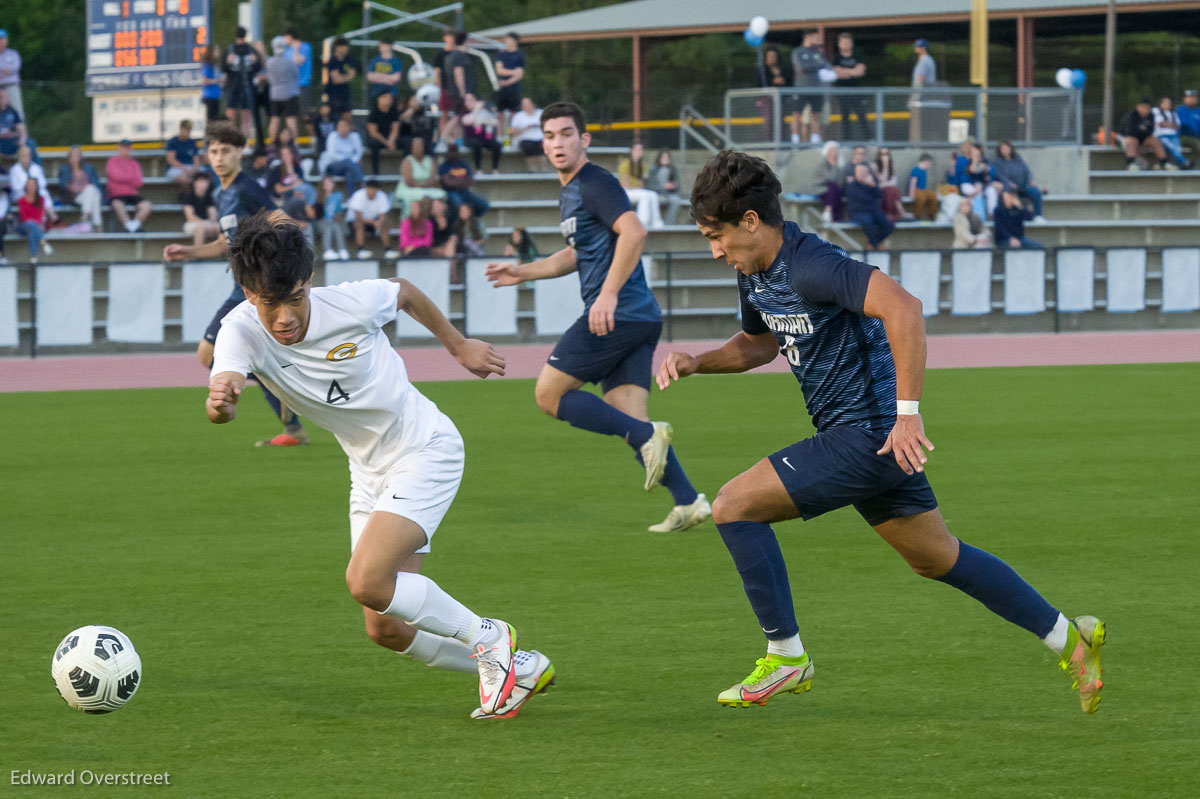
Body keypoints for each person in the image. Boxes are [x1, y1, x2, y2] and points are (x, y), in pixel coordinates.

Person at [657, 149, 1104, 714]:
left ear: (751, 221)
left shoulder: (810, 263)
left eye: (715, 235)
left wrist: (908, 411)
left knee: (732, 505)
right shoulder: (756, 275)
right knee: (937, 558)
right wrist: (698, 362)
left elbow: (905, 308)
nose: (714, 250)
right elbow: (759, 343)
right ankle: (1071, 638)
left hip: (868, 433)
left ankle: (787, 656)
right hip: (872, 442)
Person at [207, 210, 553, 720]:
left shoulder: (348, 302)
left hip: (424, 448)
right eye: (268, 304)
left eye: (294, 299)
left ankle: (491, 638)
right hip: (367, 471)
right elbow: (223, 390)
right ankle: (516, 669)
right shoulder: (240, 329)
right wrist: (222, 403)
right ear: (248, 293)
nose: (284, 317)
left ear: (309, 283)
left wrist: (459, 346)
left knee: (366, 580)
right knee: (385, 627)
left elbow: (405, 291)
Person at [485, 102, 708, 533]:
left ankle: (647, 438)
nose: (557, 143)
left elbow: (635, 232)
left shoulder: (595, 182)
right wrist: (523, 270)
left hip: (617, 313)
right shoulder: (570, 190)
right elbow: (577, 253)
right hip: (637, 316)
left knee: (549, 395)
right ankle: (689, 501)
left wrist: (606, 295)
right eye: (549, 136)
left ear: (584, 139)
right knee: (629, 416)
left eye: (566, 133)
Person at [163, 122, 310, 448]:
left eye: (226, 151)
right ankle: (289, 416)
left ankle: (279, 391)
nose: (218, 157)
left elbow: (279, 220)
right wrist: (188, 251)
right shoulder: (222, 192)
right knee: (220, 356)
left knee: (207, 353)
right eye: (213, 151)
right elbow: (223, 243)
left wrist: (287, 262)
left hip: (254, 286)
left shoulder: (246, 189)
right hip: (241, 286)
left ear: (239, 153)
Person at [790, 30, 830, 145]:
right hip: (801, 88)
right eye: (815, 37)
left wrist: (815, 66)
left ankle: (815, 139)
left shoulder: (817, 53)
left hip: (816, 89)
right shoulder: (798, 52)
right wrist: (818, 65)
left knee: (816, 114)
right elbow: (801, 67)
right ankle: (795, 139)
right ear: (808, 37)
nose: (817, 40)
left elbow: (826, 65)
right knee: (797, 114)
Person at [105, 140, 152, 233]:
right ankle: (131, 227)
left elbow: (139, 182)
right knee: (117, 204)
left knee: (147, 205)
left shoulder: (134, 163)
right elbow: (114, 176)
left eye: (127, 147)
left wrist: (123, 178)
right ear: (119, 148)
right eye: (123, 147)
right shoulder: (112, 161)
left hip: (132, 194)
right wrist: (130, 178)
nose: (125, 150)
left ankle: (131, 227)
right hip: (116, 194)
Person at [391, 137, 446, 216]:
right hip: (409, 188)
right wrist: (420, 186)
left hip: (428, 187)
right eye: (415, 146)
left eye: (419, 146)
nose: (417, 148)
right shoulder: (407, 161)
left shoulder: (430, 160)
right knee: (425, 197)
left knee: (442, 195)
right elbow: (408, 180)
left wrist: (424, 185)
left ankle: (434, 222)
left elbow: (433, 178)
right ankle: (418, 221)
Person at [992, 140, 1045, 222]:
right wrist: (1009, 183)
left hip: (1024, 185)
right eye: (1002, 148)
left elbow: (1027, 170)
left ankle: (1038, 216)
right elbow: (1000, 176)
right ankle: (1027, 216)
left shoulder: (1018, 158)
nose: (1005, 150)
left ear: (1010, 148)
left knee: (1035, 192)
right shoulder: (998, 162)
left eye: (1006, 148)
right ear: (999, 150)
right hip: (1010, 188)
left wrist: (1030, 180)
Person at [224, 27, 262, 142]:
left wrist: (255, 61)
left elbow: (223, 67)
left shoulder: (247, 50)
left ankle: (238, 141)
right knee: (242, 116)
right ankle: (236, 141)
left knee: (238, 115)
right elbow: (259, 67)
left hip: (242, 86)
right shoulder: (233, 49)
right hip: (239, 85)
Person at [846, 163, 894, 251]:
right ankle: (875, 246)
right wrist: (871, 192)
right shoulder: (851, 185)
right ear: (855, 173)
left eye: (864, 172)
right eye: (860, 172)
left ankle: (872, 243)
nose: (862, 174)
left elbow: (880, 195)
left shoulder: (871, 184)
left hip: (873, 211)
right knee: (868, 223)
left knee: (889, 225)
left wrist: (873, 185)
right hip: (858, 212)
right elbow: (864, 198)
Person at [56, 145, 103, 233]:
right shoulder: (64, 168)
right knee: (94, 197)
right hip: (75, 196)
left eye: (77, 154)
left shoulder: (89, 167)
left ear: (81, 156)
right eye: (73, 155)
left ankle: (84, 218)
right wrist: (74, 188)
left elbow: (97, 185)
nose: (75, 157)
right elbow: (63, 185)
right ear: (69, 156)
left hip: (88, 194)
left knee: (91, 189)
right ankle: (98, 226)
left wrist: (84, 188)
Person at [617, 141, 663, 229]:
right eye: (637, 149)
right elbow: (624, 184)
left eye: (641, 150)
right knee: (644, 195)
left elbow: (642, 183)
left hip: (637, 190)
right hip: (625, 191)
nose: (639, 152)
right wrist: (636, 187)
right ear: (631, 151)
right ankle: (642, 222)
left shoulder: (643, 165)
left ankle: (656, 222)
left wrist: (638, 187)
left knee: (653, 195)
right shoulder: (625, 164)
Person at [348, 179, 399, 259]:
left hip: (373, 221)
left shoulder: (382, 196)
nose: (373, 191)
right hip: (355, 222)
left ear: (378, 189)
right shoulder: (358, 196)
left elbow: (383, 215)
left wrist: (379, 222)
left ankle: (388, 250)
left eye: (375, 189)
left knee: (385, 222)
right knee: (358, 223)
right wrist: (373, 222)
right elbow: (358, 217)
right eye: (371, 188)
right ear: (366, 188)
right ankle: (360, 250)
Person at [831, 32, 868, 141]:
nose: (846, 44)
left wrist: (845, 72)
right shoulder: (836, 57)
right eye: (843, 42)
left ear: (851, 43)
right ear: (839, 44)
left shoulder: (857, 55)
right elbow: (836, 73)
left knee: (862, 116)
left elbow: (860, 71)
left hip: (856, 91)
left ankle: (868, 140)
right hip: (841, 93)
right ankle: (846, 141)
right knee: (845, 118)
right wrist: (852, 71)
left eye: (848, 42)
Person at [266, 35, 301, 144]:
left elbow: (269, 78)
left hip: (275, 94)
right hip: (290, 93)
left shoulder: (270, 62)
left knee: (274, 119)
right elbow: (296, 75)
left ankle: (272, 143)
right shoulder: (289, 62)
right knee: (291, 119)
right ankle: (294, 143)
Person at [318, 114, 364, 196]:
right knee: (349, 163)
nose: (342, 128)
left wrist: (352, 161)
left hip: (349, 167)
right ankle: (362, 183)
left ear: (349, 127)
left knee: (349, 173)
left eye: (345, 126)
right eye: (340, 126)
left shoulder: (354, 136)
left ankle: (352, 197)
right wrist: (349, 160)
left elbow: (359, 152)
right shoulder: (332, 136)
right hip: (333, 166)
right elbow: (332, 155)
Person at [438, 143, 489, 219]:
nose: (452, 153)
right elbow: (447, 183)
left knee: (484, 204)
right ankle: (461, 224)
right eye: (450, 151)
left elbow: (469, 181)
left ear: (457, 152)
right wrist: (461, 180)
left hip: (465, 192)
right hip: (451, 193)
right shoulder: (444, 166)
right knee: (458, 205)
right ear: (447, 152)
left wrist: (454, 180)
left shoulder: (463, 164)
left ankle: (473, 219)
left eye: (454, 151)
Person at [493, 33, 526, 136]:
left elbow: (519, 75)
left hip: (513, 89)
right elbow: (499, 70)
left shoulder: (520, 55)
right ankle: (500, 137)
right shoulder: (501, 54)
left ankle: (513, 137)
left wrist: (506, 82)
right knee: (500, 114)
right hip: (502, 90)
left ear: (515, 41)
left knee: (514, 115)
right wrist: (513, 72)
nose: (507, 41)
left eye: (509, 39)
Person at [756, 46, 792, 142]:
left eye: (774, 56)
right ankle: (768, 140)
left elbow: (789, 82)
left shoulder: (783, 69)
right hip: (767, 98)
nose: (772, 58)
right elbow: (761, 84)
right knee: (768, 120)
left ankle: (781, 140)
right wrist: (773, 81)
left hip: (780, 99)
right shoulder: (762, 70)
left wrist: (782, 81)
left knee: (780, 119)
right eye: (770, 56)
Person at [461, 93, 502, 173]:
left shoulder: (484, 112)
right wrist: (477, 110)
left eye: (471, 100)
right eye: (467, 100)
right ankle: (478, 169)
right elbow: (468, 121)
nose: (469, 102)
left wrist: (485, 121)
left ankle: (495, 169)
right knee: (477, 144)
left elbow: (495, 122)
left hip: (485, 138)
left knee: (497, 145)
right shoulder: (464, 114)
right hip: (471, 139)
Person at [1120, 99, 1166, 171]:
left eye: (1148, 107)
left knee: (1154, 140)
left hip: (1142, 138)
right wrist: (1141, 129)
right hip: (1126, 138)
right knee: (1133, 140)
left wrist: (1142, 130)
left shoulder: (1150, 116)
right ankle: (1130, 164)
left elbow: (1150, 131)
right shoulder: (1132, 116)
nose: (1146, 109)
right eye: (1144, 107)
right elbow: (1130, 131)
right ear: (1138, 107)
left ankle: (1164, 163)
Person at [1151, 96, 1194, 170]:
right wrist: (1169, 125)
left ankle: (1181, 164)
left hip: (1173, 135)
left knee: (1177, 149)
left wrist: (1167, 124)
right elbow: (1160, 123)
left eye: (1169, 103)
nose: (1168, 104)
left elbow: (1177, 125)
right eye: (1166, 103)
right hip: (1160, 135)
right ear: (1160, 104)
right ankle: (1185, 162)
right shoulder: (1155, 110)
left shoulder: (1173, 113)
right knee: (1171, 146)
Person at [365, 91, 401, 176]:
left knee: (408, 142)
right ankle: (376, 175)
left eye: (390, 98)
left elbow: (395, 130)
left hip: (391, 140)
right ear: (379, 99)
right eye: (385, 97)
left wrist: (391, 141)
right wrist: (387, 142)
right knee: (374, 144)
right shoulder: (374, 113)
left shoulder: (394, 112)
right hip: (379, 140)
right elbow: (373, 133)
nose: (388, 100)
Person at [181, 172, 220, 246]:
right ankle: (198, 254)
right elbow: (190, 217)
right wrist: (205, 223)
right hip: (192, 224)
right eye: (200, 181)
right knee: (200, 228)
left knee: (220, 228)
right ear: (194, 183)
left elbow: (213, 216)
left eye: (205, 181)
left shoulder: (210, 197)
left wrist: (209, 223)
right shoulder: (189, 196)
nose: (203, 184)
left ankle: (224, 254)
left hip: (208, 223)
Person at [17, 177, 51, 262]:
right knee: (31, 224)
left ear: (36, 186)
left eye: (33, 185)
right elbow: (23, 217)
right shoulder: (21, 200)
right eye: (29, 184)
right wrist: (35, 224)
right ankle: (44, 243)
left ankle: (34, 258)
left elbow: (39, 216)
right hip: (23, 225)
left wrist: (36, 225)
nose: (31, 187)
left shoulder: (41, 199)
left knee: (32, 230)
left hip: (35, 226)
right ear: (26, 186)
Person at [316, 175, 350, 261]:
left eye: (330, 183)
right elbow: (318, 216)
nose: (328, 186)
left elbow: (341, 210)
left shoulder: (338, 195)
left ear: (333, 184)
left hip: (335, 221)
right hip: (322, 222)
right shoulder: (319, 197)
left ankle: (342, 250)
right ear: (322, 186)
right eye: (326, 184)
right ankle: (327, 251)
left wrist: (338, 215)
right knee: (328, 225)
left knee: (336, 225)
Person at [909, 39, 937, 142]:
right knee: (925, 123)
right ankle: (924, 141)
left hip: (922, 97)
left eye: (918, 46)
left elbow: (921, 79)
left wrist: (915, 96)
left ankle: (917, 143)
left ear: (924, 48)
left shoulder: (924, 61)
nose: (916, 48)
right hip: (926, 97)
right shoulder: (928, 60)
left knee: (919, 123)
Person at [646, 150, 682, 225]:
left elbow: (678, 186)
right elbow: (650, 186)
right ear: (659, 158)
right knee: (653, 199)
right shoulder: (653, 170)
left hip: (669, 194)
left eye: (667, 157)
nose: (665, 159)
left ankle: (668, 224)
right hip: (657, 194)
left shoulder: (673, 169)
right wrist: (663, 187)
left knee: (676, 200)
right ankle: (654, 223)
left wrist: (673, 186)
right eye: (663, 157)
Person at [510, 97, 546, 172]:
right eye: (523, 104)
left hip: (540, 137)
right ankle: (532, 168)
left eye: (526, 104)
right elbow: (512, 131)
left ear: (533, 104)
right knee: (528, 146)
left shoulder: (541, 113)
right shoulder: (518, 116)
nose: (524, 106)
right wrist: (525, 128)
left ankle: (543, 168)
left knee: (541, 146)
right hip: (525, 138)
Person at [324, 37, 356, 121]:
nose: (346, 49)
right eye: (344, 46)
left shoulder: (348, 59)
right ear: (337, 47)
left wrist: (342, 77)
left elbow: (352, 75)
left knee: (348, 118)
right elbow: (336, 79)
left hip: (345, 94)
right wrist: (347, 77)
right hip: (333, 95)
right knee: (335, 119)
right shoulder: (333, 61)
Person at [873, 147, 909, 221]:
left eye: (886, 154)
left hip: (890, 191)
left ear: (889, 156)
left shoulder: (891, 167)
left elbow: (894, 182)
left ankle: (897, 214)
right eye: (882, 154)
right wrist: (884, 166)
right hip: (880, 190)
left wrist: (887, 167)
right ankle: (901, 213)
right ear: (879, 156)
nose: (884, 156)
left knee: (893, 190)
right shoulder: (875, 166)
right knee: (892, 190)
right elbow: (880, 181)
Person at [365, 37, 405, 102]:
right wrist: (388, 80)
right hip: (376, 93)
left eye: (384, 45)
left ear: (390, 46)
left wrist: (377, 76)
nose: (381, 47)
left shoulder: (396, 61)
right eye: (381, 45)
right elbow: (369, 76)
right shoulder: (374, 60)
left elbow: (396, 78)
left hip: (392, 94)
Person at [281, 28, 313, 111]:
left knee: (304, 112)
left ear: (289, 37)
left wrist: (295, 49)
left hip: (302, 84)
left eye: (284, 37)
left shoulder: (305, 47)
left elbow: (298, 61)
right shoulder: (286, 50)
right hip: (290, 85)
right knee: (292, 113)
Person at [814, 140, 845, 224]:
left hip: (833, 190)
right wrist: (833, 166)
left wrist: (835, 166)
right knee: (833, 186)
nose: (834, 153)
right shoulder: (822, 164)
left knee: (836, 189)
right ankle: (831, 213)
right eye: (831, 151)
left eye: (835, 151)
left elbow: (841, 181)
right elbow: (830, 178)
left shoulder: (840, 164)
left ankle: (829, 211)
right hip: (822, 188)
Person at [0, 86, 33, 159]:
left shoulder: (12, 111)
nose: (3, 99)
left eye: (5, 96)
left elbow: (21, 127)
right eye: (1, 97)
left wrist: (23, 139)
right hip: (1, 142)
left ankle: (35, 169)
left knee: (30, 143)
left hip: (12, 140)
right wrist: (3, 135)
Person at [165, 119, 200, 185]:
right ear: (181, 129)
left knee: (204, 176)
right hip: (176, 168)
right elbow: (171, 160)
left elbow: (196, 159)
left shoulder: (192, 142)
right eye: (185, 129)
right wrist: (185, 169)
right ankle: (186, 195)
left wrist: (195, 169)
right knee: (184, 179)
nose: (187, 131)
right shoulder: (173, 142)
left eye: (189, 130)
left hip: (191, 167)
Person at [907, 153, 938, 221]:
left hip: (924, 190)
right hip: (917, 190)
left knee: (934, 196)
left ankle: (931, 214)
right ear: (926, 162)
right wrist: (912, 193)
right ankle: (917, 215)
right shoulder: (916, 169)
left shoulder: (924, 171)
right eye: (930, 163)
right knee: (922, 198)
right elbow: (913, 182)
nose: (930, 165)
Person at [0, 29, 22, 118]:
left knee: (17, 111)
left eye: (2, 39)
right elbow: (7, 71)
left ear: (6, 40)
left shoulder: (13, 54)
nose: (0, 41)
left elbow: (14, 68)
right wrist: (4, 71)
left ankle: (20, 131)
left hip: (11, 86)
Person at [200, 44, 223, 122]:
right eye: (216, 51)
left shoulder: (215, 65)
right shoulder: (207, 65)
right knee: (210, 121)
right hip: (209, 97)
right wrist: (218, 80)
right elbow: (204, 80)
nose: (218, 53)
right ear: (211, 52)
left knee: (215, 121)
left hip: (216, 97)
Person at [1177, 89, 1200, 156]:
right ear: (1185, 99)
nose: (1191, 99)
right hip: (1181, 137)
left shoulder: (1198, 111)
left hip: (1196, 137)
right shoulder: (1178, 110)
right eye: (1189, 97)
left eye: (1193, 97)